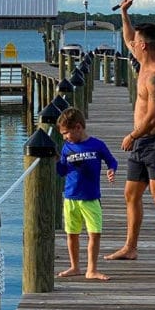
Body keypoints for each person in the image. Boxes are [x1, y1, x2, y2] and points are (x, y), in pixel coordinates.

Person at [104, 0, 155, 268]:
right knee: (130, 195)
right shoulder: (143, 62)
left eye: (136, 42)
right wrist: (124, 14)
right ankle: (130, 247)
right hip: (141, 144)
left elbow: (154, 117)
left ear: (144, 45)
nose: (131, 45)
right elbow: (127, 39)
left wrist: (132, 136)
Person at [56, 107, 117, 281]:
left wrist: (111, 170)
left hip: (90, 198)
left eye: (66, 133)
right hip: (71, 197)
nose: (64, 137)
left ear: (78, 127)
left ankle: (92, 269)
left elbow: (111, 160)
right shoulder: (67, 147)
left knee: (94, 233)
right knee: (72, 234)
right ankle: (75, 266)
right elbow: (62, 171)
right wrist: (53, 160)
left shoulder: (96, 145)